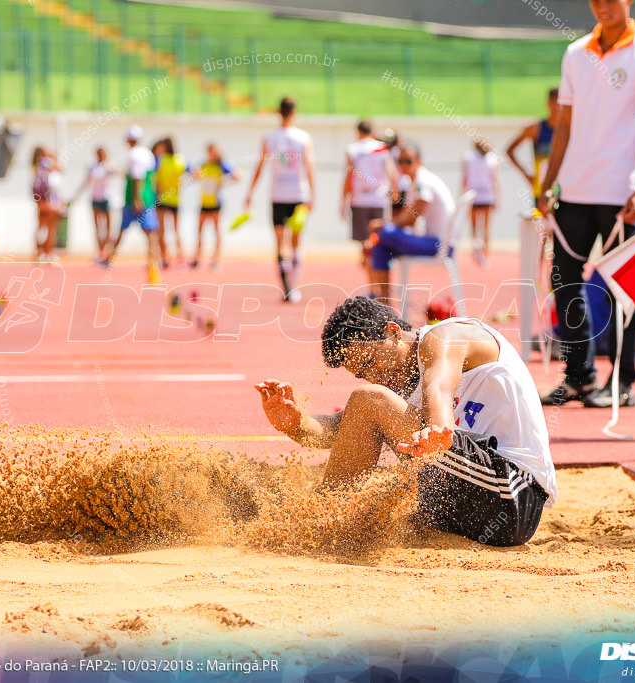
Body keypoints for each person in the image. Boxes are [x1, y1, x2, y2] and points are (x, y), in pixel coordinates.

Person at [254, 296, 556, 547]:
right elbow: (338, 431)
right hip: (467, 506)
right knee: (366, 406)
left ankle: (319, 517)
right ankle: (319, 517)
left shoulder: (446, 337)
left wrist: (439, 429)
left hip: (512, 495)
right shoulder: (396, 388)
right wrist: (293, 422)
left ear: (394, 331)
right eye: (363, 373)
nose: (375, 377)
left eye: (371, 362)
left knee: (368, 399)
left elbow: (438, 385)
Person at [537, 0, 635, 409]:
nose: (603, 6)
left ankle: (623, 382)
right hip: (572, 192)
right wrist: (549, 182)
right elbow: (565, 125)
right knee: (565, 282)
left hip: (620, 195)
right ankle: (579, 377)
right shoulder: (576, 52)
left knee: (623, 288)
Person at [245, 96, 316, 303]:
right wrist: (312, 195)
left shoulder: (269, 137)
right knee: (295, 242)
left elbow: (260, 167)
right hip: (299, 195)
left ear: (279, 112)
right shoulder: (304, 137)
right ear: (294, 113)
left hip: (278, 195)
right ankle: (293, 286)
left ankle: (286, 287)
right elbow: (309, 168)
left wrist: (250, 192)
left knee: (280, 243)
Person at [365, 144, 455, 302]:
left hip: (439, 244)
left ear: (419, 161)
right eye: (400, 161)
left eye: (408, 161)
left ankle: (384, 304)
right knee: (381, 248)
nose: (403, 165)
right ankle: (385, 307)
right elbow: (407, 220)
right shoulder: (413, 182)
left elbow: (410, 218)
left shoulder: (423, 181)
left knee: (385, 233)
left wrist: (382, 225)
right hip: (431, 241)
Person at [109, 125, 159, 269]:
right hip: (147, 198)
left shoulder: (135, 155)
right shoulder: (147, 154)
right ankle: (153, 260)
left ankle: (110, 257)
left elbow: (138, 178)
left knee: (123, 229)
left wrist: (137, 199)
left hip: (135, 200)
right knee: (149, 232)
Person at [342, 120, 397, 243]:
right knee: (378, 235)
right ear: (372, 131)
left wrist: (344, 200)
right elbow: (391, 171)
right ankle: (373, 258)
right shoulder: (382, 148)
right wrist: (395, 189)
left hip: (359, 198)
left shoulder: (353, 149)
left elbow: (349, 176)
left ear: (358, 132)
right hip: (379, 198)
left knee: (362, 237)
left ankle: (366, 259)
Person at [506, 88, 559, 202]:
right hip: (541, 190)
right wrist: (527, 175)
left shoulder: (569, 130)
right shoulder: (536, 129)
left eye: (559, 103)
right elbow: (509, 150)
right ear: (548, 103)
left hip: (563, 190)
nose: (556, 107)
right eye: (553, 102)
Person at [193, 142, 239, 270]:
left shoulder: (222, 166)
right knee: (199, 231)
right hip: (204, 202)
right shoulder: (204, 165)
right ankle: (197, 258)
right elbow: (195, 174)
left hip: (216, 203)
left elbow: (237, 175)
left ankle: (215, 259)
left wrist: (223, 182)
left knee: (216, 231)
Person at [72, 147, 117, 266]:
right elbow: (86, 182)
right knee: (98, 226)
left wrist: (111, 167)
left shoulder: (109, 166)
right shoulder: (92, 167)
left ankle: (107, 250)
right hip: (95, 199)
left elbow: (118, 172)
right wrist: (76, 196)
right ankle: (100, 251)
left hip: (106, 198)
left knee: (108, 226)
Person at [462, 137, 499, 267]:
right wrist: (497, 197)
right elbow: (495, 179)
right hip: (484, 195)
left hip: (477, 195)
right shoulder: (490, 158)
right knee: (484, 227)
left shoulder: (470, 157)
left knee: (477, 227)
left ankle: (479, 252)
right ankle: (482, 252)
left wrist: (462, 195)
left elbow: (465, 178)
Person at [153, 137, 190, 267]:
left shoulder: (160, 160)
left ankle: (164, 259)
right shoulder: (181, 160)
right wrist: (182, 184)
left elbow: (154, 180)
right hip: (175, 199)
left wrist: (158, 188)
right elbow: (196, 173)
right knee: (176, 230)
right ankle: (181, 259)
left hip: (162, 199)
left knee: (162, 231)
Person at [30, 146, 64, 263]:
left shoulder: (39, 166)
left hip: (50, 201)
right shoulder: (45, 163)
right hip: (47, 200)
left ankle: (45, 252)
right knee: (46, 227)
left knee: (47, 228)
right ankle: (43, 252)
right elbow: (60, 169)